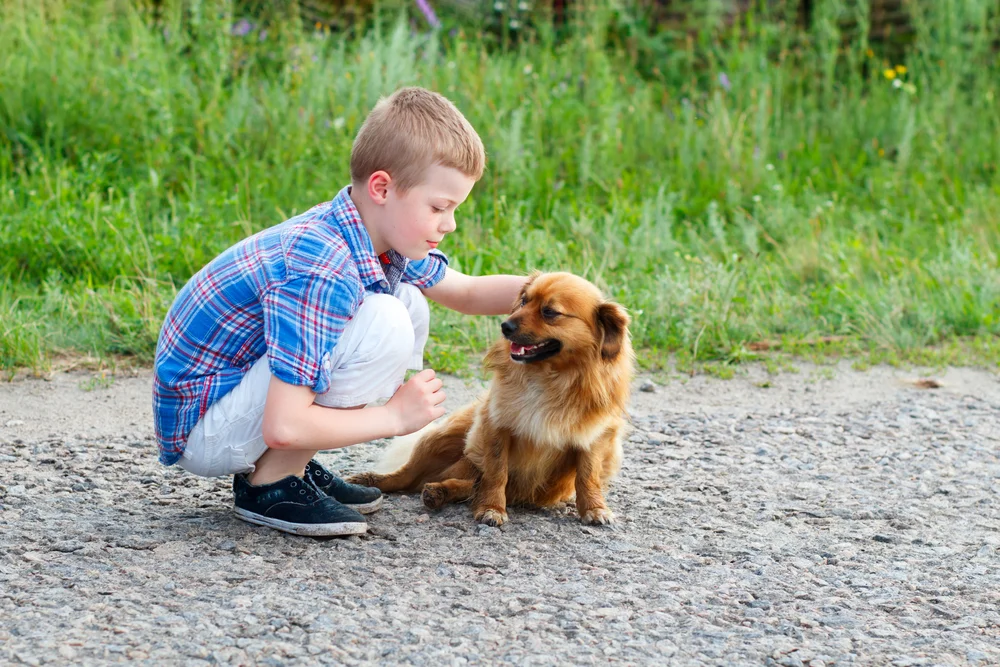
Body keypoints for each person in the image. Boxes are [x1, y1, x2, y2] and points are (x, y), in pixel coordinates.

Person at [152, 87, 526, 537]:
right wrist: (395, 418)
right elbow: (284, 423)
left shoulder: (376, 232)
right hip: (205, 426)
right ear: (382, 187)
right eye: (440, 207)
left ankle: (288, 466)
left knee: (404, 303)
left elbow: (464, 292)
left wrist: (556, 293)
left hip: (236, 399)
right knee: (386, 320)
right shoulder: (324, 268)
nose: (450, 224)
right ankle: (270, 483)